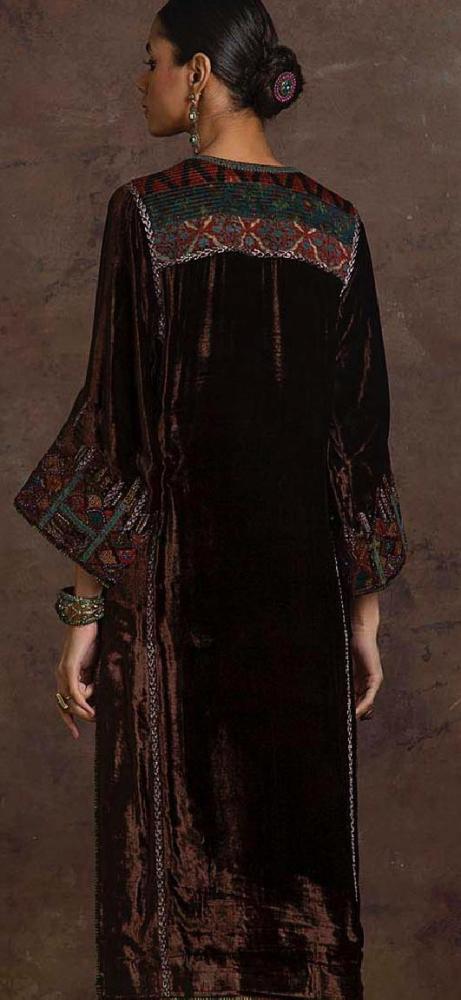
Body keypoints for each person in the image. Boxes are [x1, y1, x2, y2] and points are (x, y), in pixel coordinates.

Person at [13, 1, 409, 997]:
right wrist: (362, 617)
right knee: (298, 887)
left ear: (196, 74)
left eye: (149, 61)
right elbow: (358, 441)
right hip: (303, 621)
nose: (139, 81)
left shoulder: (147, 216)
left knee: (170, 900)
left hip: (173, 617)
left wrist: (81, 615)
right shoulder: (336, 227)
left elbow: (117, 430)